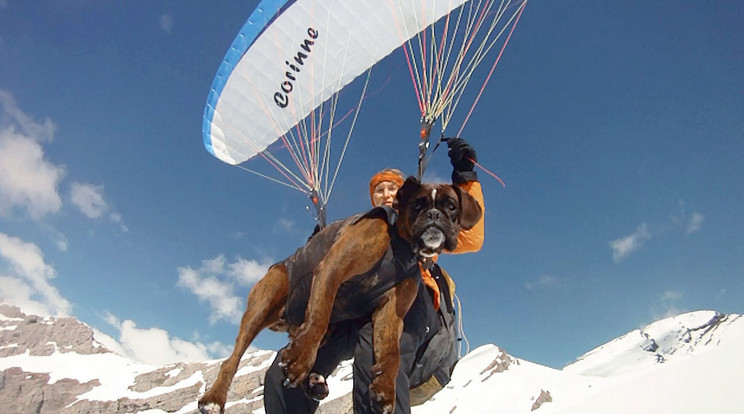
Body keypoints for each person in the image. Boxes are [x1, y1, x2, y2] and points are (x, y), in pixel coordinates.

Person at [263, 138, 485, 413]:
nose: (386, 193)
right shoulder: (360, 231)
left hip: (409, 308)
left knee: (376, 354)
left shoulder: (423, 220)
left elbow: (472, 237)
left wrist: (465, 177)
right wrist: (319, 248)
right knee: (285, 369)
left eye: (393, 188)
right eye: (379, 190)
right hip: (358, 309)